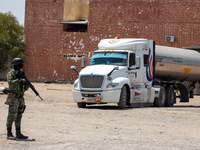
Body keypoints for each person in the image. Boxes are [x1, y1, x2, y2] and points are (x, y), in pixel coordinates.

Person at [5, 58, 29, 140]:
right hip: (13, 96)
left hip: (20, 97)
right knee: (12, 115)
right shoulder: (11, 74)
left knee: (19, 116)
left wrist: (26, 86)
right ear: (16, 64)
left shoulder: (21, 73)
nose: (22, 65)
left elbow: (22, 88)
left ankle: (18, 133)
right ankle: (9, 134)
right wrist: (19, 80)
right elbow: (10, 83)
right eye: (21, 63)